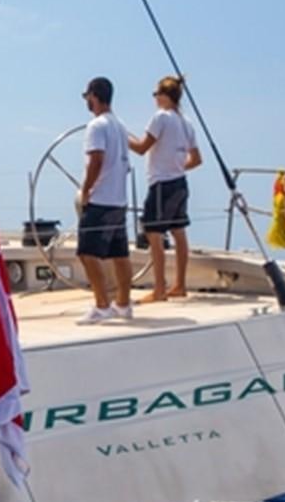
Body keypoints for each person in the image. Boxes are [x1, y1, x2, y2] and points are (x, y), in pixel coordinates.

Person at [128, 75, 202, 302]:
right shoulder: (186, 123)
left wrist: (121, 136)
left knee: (154, 234)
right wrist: (177, 166)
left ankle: (159, 288)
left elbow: (141, 148)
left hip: (161, 184)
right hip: (180, 183)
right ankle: (180, 284)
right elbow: (197, 159)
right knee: (179, 233)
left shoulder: (160, 118)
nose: (154, 99)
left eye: (155, 94)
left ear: (164, 96)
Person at [75, 76, 135, 324]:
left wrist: (86, 190)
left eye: (87, 96)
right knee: (119, 254)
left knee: (87, 253)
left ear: (94, 95)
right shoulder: (120, 126)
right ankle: (123, 304)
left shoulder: (96, 126)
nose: (86, 101)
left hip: (100, 200)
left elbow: (96, 160)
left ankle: (102, 305)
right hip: (118, 201)